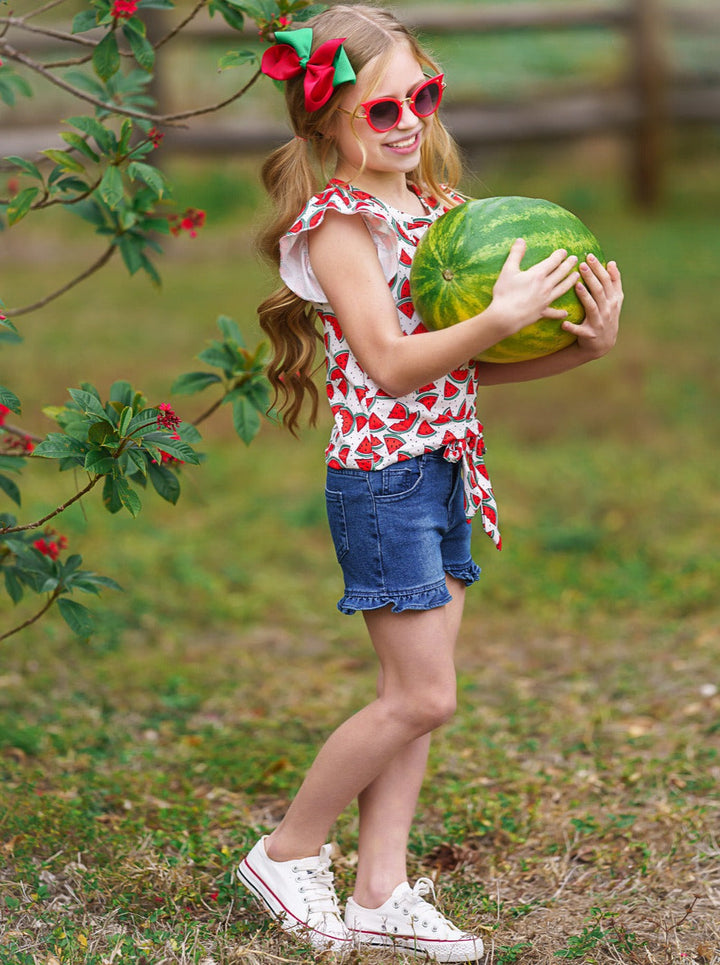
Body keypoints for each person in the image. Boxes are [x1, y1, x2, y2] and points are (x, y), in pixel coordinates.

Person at [237, 4, 623, 962]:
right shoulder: (337, 227)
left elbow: (461, 369)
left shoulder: (440, 214)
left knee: (412, 694)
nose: (409, 119)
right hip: (381, 481)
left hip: (443, 468)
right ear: (326, 120)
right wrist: (497, 318)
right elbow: (393, 361)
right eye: (381, 109)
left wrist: (580, 350)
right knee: (423, 697)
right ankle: (286, 854)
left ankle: (380, 891)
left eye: (424, 95)